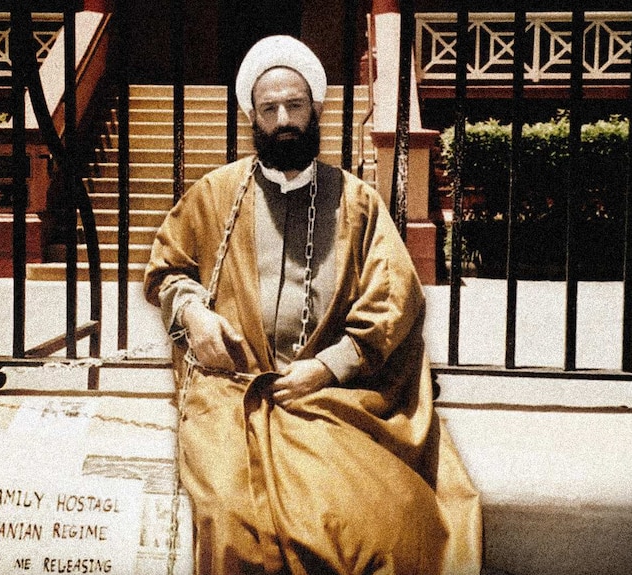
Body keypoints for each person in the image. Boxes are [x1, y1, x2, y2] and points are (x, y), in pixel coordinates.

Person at [143, 35, 482, 575]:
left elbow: (394, 299)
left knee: (382, 519)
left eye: (295, 105)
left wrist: (327, 368)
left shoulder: (357, 201)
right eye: (269, 107)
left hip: (335, 397)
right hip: (233, 393)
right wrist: (192, 313)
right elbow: (168, 271)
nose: (283, 119)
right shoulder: (213, 194)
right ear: (252, 115)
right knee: (228, 516)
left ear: (315, 109)